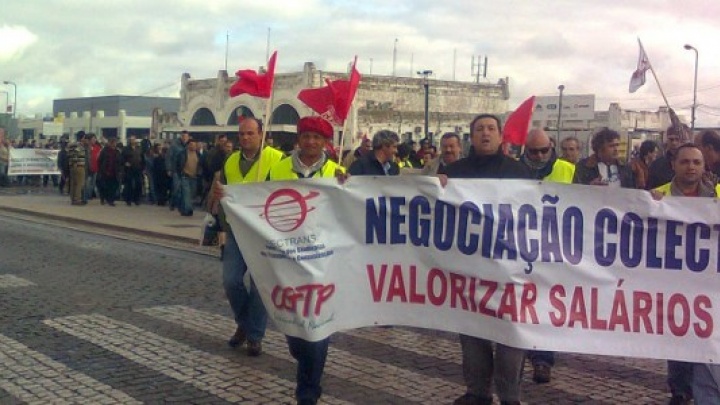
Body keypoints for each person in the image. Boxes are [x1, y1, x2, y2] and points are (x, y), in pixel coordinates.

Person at [442, 114, 531, 405]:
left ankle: (509, 396)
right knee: (472, 338)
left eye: (491, 129)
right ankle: (477, 393)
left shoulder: (520, 172)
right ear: (471, 136)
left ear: (500, 135)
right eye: (479, 129)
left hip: (509, 270)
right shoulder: (454, 172)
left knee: (510, 340)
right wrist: (436, 185)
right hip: (470, 271)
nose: (485, 133)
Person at [267, 116, 343, 405]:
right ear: (298, 139)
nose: (311, 142)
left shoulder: (338, 171)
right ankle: (304, 356)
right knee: (297, 332)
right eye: (306, 136)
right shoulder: (278, 169)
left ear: (325, 142)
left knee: (317, 327)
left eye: (317, 137)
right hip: (287, 259)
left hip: (323, 263)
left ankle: (307, 392)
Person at [650, 144, 720, 405]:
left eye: (697, 162)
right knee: (677, 339)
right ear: (674, 165)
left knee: (708, 340)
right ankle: (680, 390)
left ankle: (705, 394)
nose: (691, 167)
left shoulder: (717, 194)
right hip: (672, 282)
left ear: (704, 166)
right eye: (685, 162)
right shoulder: (657, 196)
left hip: (709, 285)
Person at [217, 117, 284, 356]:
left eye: (250, 134)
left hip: (265, 234)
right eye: (242, 134)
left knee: (259, 288)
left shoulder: (277, 159)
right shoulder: (231, 161)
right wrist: (221, 228)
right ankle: (245, 324)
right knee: (231, 281)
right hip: (237, 231)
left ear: (261, 134)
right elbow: (223, 196)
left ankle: (254, 335)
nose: (245, 138)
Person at [516, 128, 574, 384]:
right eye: (533, 151)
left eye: (544, 150)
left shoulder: (569, 169)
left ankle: (542, 359)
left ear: (551, 147)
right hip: (519, 246)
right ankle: (520, 353)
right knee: (520, 305)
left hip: (554, 249)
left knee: (546, 304)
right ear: (524, 151)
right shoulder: (512, 170)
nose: (539, 156)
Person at [647, 124, 688, 190]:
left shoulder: (694, 164)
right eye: (671, 139)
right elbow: (650, 190)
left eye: (677, 139)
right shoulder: (657, 165)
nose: (674, 143)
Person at [175, 138, 202, 216]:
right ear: (188, 145)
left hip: (194, 177)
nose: (193, 146)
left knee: (191, 194)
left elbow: (201, 165)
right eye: (191, 145)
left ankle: (184, 209)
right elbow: (177, 164)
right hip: (185, 176)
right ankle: (188, 210)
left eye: (194, 145)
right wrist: (179, 173)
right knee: (186, 194)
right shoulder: (182, 154)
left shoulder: (198, 155)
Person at [166, 130, 190, 211]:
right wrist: (169, 169)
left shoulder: (189, 146)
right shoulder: (174, 145)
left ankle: (180, 205)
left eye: (186, 137)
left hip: (185, 170)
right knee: (176, 188)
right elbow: (169, 157)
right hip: (176, 169)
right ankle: (172, 203)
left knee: (183, 189)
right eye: (183, 136)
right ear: (181, 136)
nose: (184, 138)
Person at [97, 137, 121, 206]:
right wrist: (101, 169)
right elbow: (100, 160)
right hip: (105, 171)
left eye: (115, 143)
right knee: (105, 186)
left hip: (114, 172)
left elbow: (120, 161)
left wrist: (120, 170)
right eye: (112, 143)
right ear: (109, 144)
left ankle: (111, 200)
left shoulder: (117, 151)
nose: (114, 145)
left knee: (113, 187)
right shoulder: (104, 151)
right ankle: (103, 198)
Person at [121, 135, 144, 206]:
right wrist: (125, 163)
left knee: (138, 184)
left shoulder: (139, 148)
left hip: (138, 169)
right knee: (129, 185)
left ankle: (137, 200)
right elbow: (122, 158)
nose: (132, 141)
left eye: (134, 139)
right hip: (129, 169)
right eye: (131, 140)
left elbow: (143, 158)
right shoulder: (126, 149)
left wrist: (143, 167)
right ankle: (128, 200)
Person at [67, 131, 88, 205]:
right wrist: (75, 163)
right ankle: (77, 199)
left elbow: (69, 155)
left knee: (73, 183)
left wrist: (72, 164)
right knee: (79, 183)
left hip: (72, 166)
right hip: (79, 166)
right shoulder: (79, 145)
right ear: (83, 137)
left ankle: (73, 198)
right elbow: (75, 154)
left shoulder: (71, 145)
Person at [84, 133, 102, 202]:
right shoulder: (86, 147)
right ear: (89, 140)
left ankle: (89, 195)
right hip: (88, 168)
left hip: (95, 168)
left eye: (95, 138)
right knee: (87, 183)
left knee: (92, 184)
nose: (94, 140)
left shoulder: (98, 147)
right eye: (93, 139)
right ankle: (85, 196)